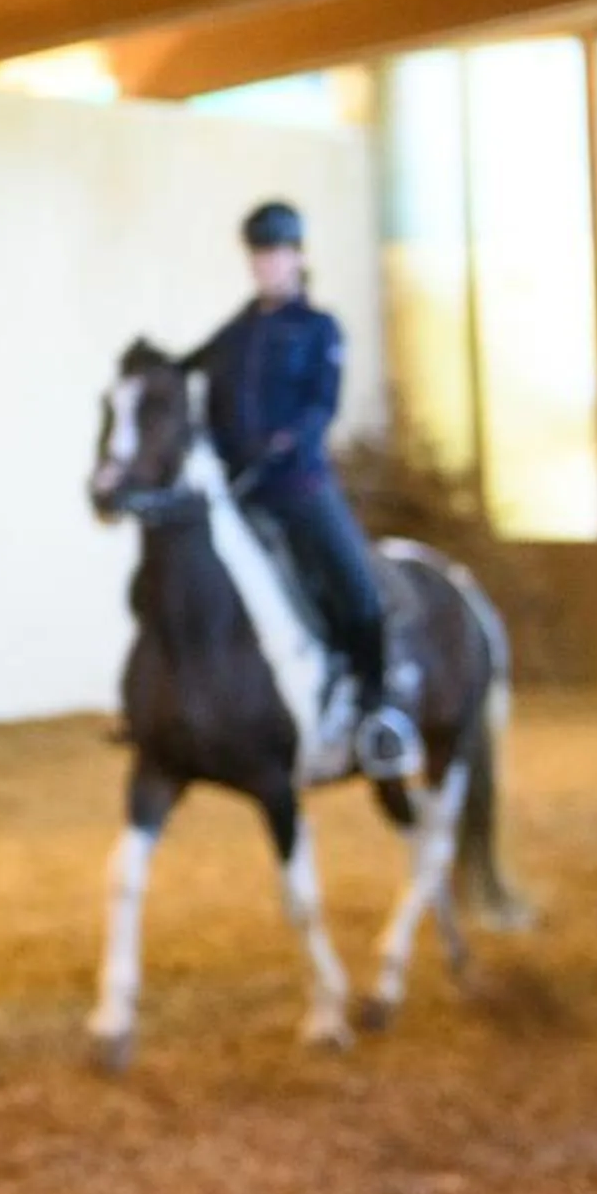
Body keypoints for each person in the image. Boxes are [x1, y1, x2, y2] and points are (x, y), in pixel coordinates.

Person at [196, 200, 419, 782]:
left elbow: (323, 405)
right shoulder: (236, 334)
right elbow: (192, 374)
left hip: (300, 486)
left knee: (356, 587)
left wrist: (286, 440)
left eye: (275, 254)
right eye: (258, 255)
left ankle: (378, 712)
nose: (266, 266)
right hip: (240, 495)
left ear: (296, 257)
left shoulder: (319, 329)